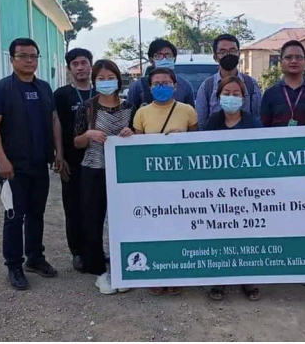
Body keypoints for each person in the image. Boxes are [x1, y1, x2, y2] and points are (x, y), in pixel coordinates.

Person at [0, 38, 63, 290]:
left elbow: (53, 121)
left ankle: (35, 258)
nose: (29, 61)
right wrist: (1, 159)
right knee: (14, 215)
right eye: (23, 56)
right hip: (12, 167)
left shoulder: (44, 88)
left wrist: (58, 153)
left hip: (39, 163)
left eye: (33, 56)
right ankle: (14, 265)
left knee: (37, 213)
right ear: (12, 59)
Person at [133, 67, 198, 295]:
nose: (162, 87)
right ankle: (156, 273)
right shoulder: (141, 114)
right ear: (150, 88)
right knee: (154, 227)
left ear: (175, 86)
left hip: (181, 181)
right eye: (157, 84)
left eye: (166, 83)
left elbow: (198, 143)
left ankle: (177, 272)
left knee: (179, 226)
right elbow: (136, 150)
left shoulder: (188, 111)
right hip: (152, 181)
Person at [73, 59, 135, 295]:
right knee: (92, 220)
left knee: (123, 221)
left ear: (118, 80)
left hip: (123, 172)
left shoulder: (131, 106)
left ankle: (124, 267)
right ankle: (99, 271)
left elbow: (139, 133)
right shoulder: (87, 107)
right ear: (94, 81)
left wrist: (133, 132)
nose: (106, 82)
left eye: (110, 78)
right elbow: (76, 142)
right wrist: (88, 134)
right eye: (101, 78)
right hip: (93, 169)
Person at [203, 76, 262, 301]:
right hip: (218, 189)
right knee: (219, 233)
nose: (231, 97)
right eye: (226, 93)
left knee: (246, 233)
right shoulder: (212, 122)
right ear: (219, 97)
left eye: (236, 93)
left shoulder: (252, 122)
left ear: (244, 97)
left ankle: (248, 280)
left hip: (247, 189)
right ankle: (219, 281)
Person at [53, 48, 96, 272]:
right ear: (69, 68)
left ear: (91, 65)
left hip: (99, 160)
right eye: (75, 64)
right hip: (72, 158)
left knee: (95, 208)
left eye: (84, 63)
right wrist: (59, 155)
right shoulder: (61, 94)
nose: (80, 67)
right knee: (74, 208)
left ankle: (94, 250)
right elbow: (57, 123)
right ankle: (77, 252)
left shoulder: (102, 90)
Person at [196, 33, 262, 130]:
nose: (228, 55)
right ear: (215, 57)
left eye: (232, 51)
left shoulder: (251, 84)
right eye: (222, 52)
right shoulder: (207, 87)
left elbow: (257, 117)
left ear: (239, 54)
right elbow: (201, 123)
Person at [260, 40, 305, 127]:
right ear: (281, 62)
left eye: (299, 57)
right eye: (288, 57)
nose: (294, 61)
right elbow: (264, 126)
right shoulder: (270, 94)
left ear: (304, 61)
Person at [127, 38, 195, 109]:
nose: (164, 59)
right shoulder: (138, 86)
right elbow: (129, 116)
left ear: (174, 59)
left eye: (168, 55)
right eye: (158, 56)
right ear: (151, 60)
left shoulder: (185, 86)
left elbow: (191, 115)